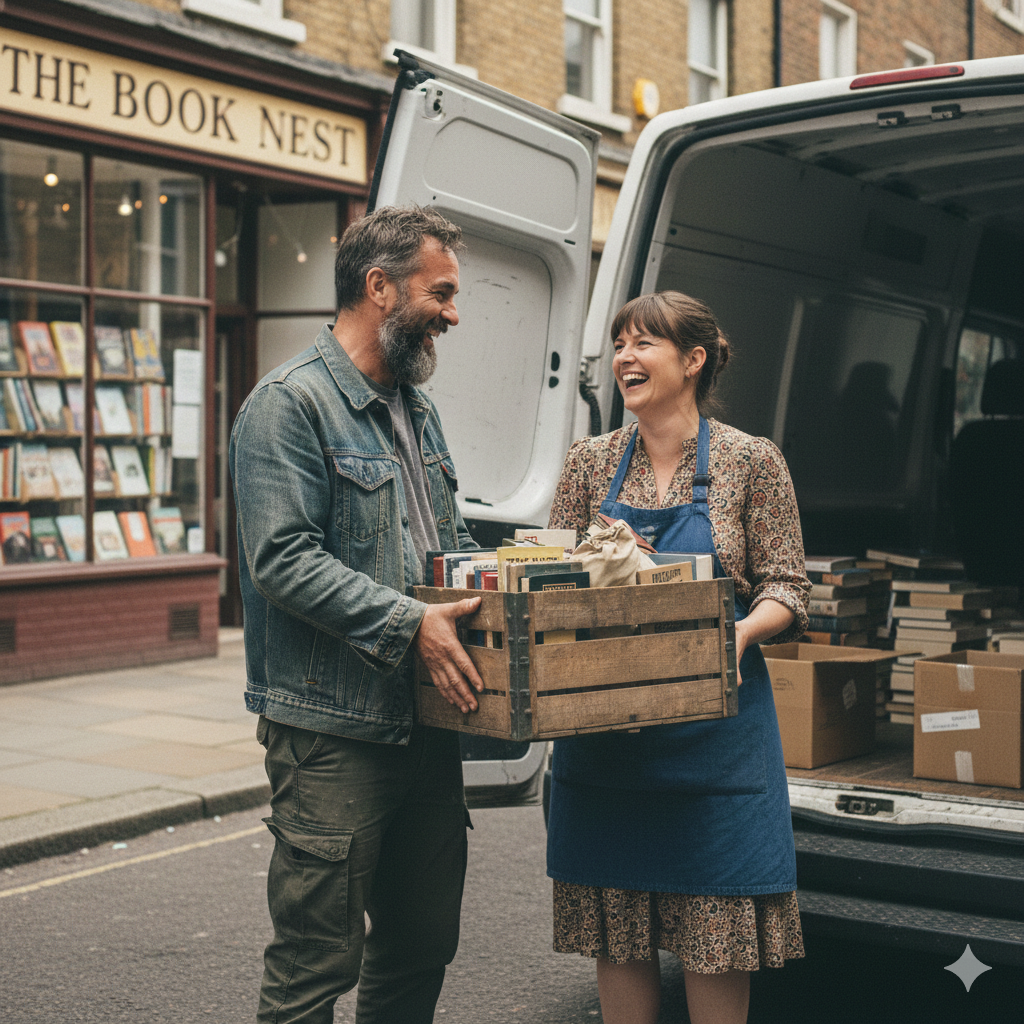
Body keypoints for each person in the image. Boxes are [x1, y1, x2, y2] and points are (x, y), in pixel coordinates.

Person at [229, 205, 485, 1024]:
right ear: (379, 287)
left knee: (421, 942)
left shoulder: (418, 407)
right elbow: (282, 561)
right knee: (315, 963)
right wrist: (412, 623)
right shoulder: (288, 405)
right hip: (331, 730)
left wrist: (522, 573)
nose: (454, 312)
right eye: (440, 292)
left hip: (425, 720)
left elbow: (445, 539)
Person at [545, 291, 811, 1024]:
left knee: (716, 938)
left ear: (693, 361)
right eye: (620, 343)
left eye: (644, 344)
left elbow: (789, 586)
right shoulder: (589, 463)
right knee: (619, 930)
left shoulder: (751, 462)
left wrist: (739, 633)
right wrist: (604, 555)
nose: (625, 357)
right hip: (607, 743)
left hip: (716, 745)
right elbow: (545, 578)